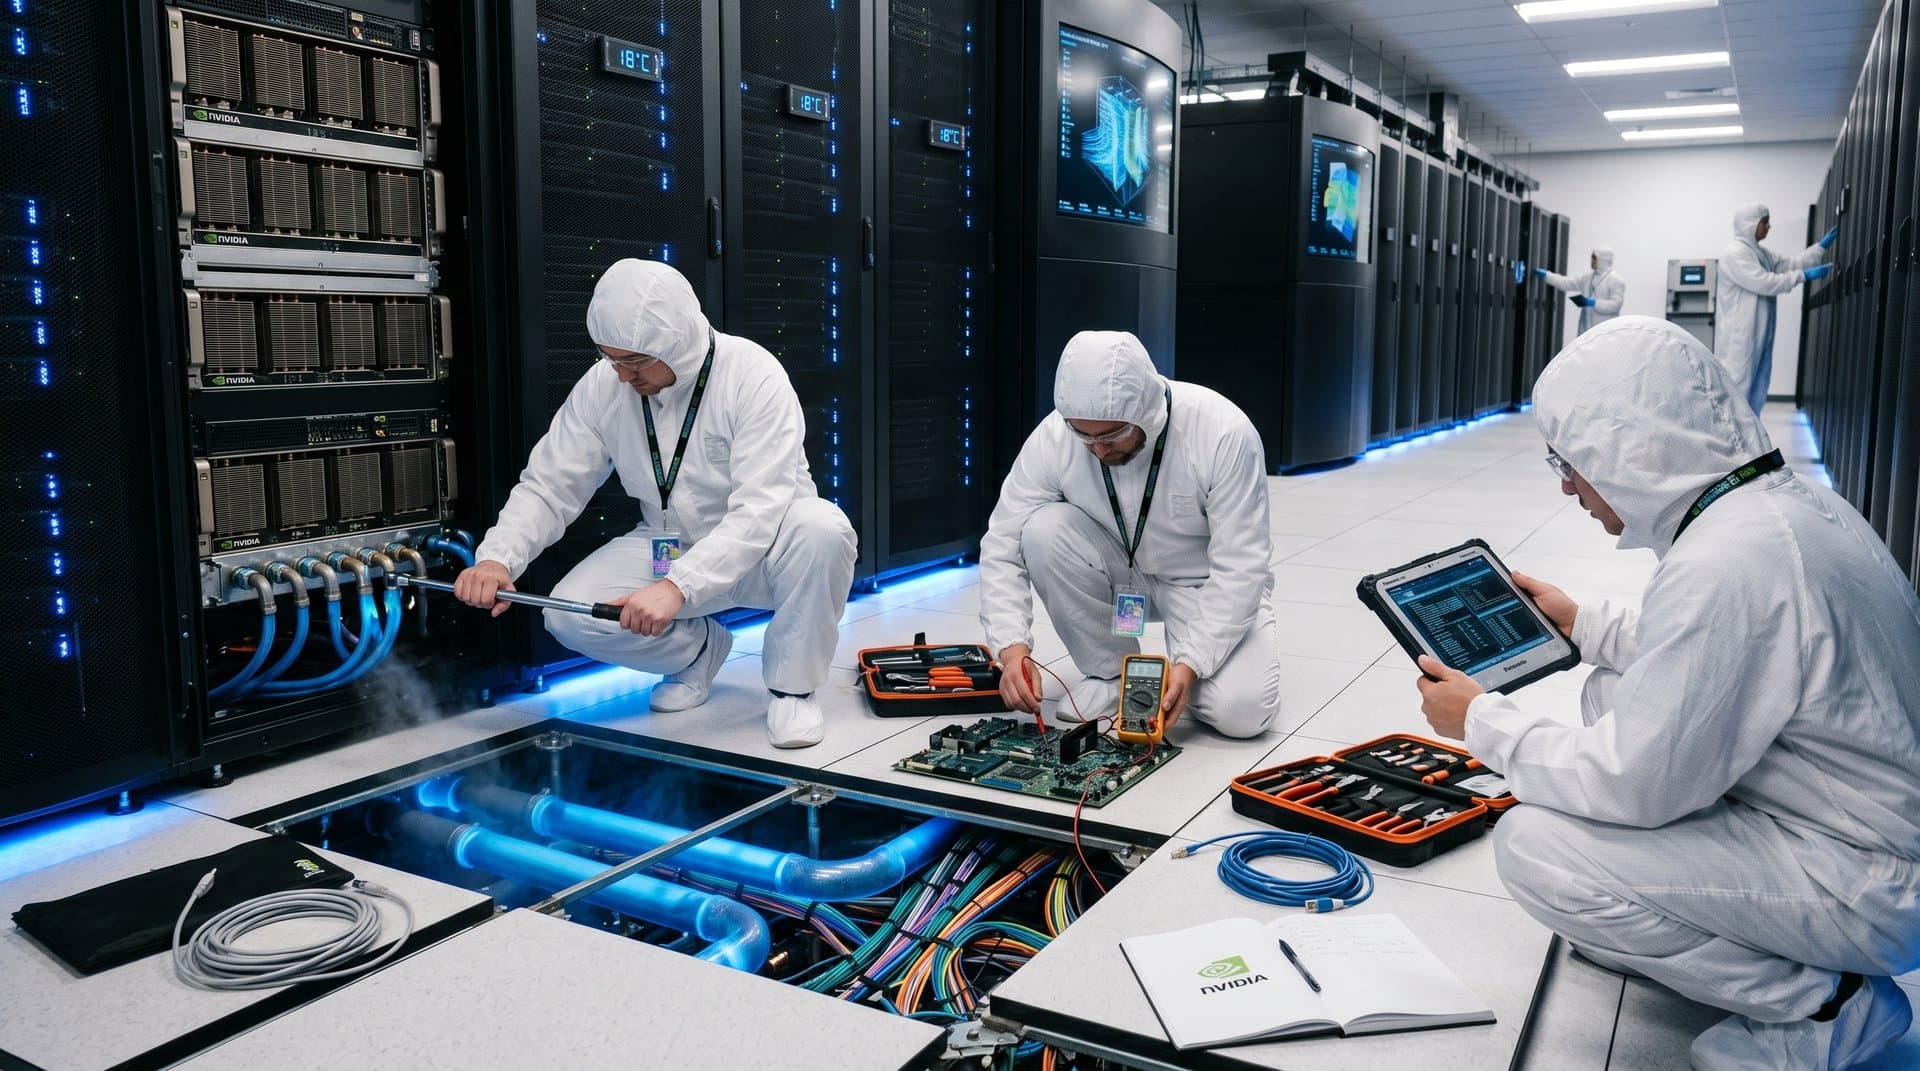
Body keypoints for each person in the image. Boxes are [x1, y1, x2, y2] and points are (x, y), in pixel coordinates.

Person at [1410, 317, 1920, 1070]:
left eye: (1569, 460)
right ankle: (1690, 925)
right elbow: (1715, 661)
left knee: (1537, 847)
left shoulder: (1729, 562)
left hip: (1866, 883)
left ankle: (1826, 1008)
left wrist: (1481, 720)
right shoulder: (1779, 511)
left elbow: (1629, 782)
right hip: (1858, 827)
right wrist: (1584, 624)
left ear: (1629, 446)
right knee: (1611, 692)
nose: (1566, 485)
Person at [455, 259, 857, 749]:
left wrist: (677, 588)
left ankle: (792, 689)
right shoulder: (604, 385)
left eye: (636, 362)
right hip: (667, 544)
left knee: (823, 528)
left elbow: (760, 510)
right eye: (612, 360)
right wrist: (498, 557)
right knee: (568, 614)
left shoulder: (752, 375)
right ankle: (696, 654)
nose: (623, 376)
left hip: (768, 548)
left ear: (678, 341)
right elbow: (551, 483)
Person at [978, 330, 1281, 739]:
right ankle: (1108, 673)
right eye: (1084, 436)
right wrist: (1011, 647)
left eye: (1110, 436)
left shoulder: (1222, 432)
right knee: (1042, 530)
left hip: (1198, 582)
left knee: (1240, 713)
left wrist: (1190, 665)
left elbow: (1242, 566)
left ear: (1147, 411)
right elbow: (1003, 542)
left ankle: (1197, 664)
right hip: (1117, 571)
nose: (1098, 450)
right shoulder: (1055, 436)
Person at [1716, 203, 1837, 413]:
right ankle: (1731, 441)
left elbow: (1790, 264)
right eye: (1765, 222)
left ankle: (1750, 439)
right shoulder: (1734, 254)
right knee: (1738, 388)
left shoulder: (1760, 253)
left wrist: (1821, 247)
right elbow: (1764, 282)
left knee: (1757, 387)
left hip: (1758, 333)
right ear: (1750, 225)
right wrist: (1804, 276)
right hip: (1741, 336)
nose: (1769, 226)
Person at [1535, 246, 1626, 336]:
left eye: (1594, 258)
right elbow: (1566, 283)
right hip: (1586, 329)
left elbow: (1616, 305)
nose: (1591, 261)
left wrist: (1594, 303)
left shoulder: (1616, 280)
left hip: (1605, 331)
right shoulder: (1588, 277)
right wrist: (1547, 275)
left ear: (1603, 260)